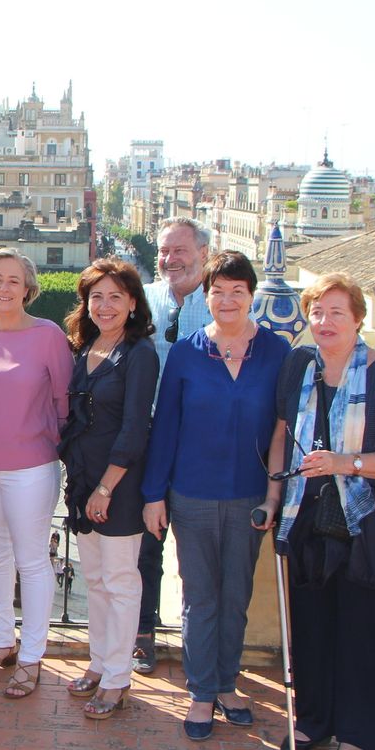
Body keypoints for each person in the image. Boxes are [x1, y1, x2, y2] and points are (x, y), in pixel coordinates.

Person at [263, 273, 375, 750]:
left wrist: (344, 463)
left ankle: (356, 732)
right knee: (311, 626)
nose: (325, 321)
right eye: (317, 312)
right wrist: (273, 497)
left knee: (361, 630)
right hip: (306, 517)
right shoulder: (299, 365)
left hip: (363, 523)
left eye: (337, 312)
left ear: (358, 318)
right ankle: (314, 719)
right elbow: (282, 433)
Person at [141, 250, 290, 740]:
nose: (227, 300)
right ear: (206, 297)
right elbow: (166, 427)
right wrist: (154, 495)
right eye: (218, 291)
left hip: (250, 497)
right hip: (192, 496)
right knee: (200, 597)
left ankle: (228, 684)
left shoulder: (275, 352)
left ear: (251, 296)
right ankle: (202, 691)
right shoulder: (187, 352)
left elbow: (283, 430)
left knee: (236, 596)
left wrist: (274, 496)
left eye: (237, 292)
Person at [0, 249, 72, 699]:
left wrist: (47, 445)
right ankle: (2, 642)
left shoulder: (48, 335)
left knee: (32, 560)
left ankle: (32, 656)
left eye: (14, 281)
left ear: (28, 289)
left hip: (32, 469)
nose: (4, 288)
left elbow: (64, 401)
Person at [58, 259, 159, 718]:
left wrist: (106, 488)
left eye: (116, 296)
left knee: (120, 582)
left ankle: (118, 678)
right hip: (84, 481)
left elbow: (136, 427)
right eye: (96, 296)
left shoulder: (140, 354)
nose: (105, 305)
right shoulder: (86, 347)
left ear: (133, 303)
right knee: (95, 580)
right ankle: (99, 664)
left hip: (118, 484)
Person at [134, 216, 213, 674]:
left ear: (204, 253)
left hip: (201, 446)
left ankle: (198, 644)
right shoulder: (143, 300)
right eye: (164, 251)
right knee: (147, 545)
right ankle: (143, 635)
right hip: (149, 439)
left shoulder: (223, 302)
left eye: (179, 250)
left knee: (198, 552)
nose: (169, 259)